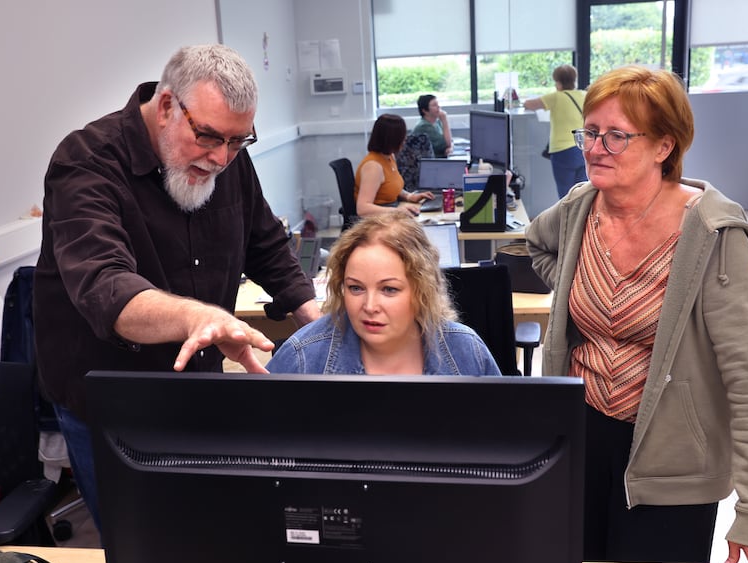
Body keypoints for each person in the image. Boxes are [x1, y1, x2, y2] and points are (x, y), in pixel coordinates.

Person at [33, 44, 321, 532]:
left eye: (238, 141)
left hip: (198, 387)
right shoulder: (86, 162)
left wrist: (320, 319)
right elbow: (106, 284)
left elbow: (265, 243)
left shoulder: (227, 156)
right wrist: (197, 317)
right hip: (113, 403)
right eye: (208, 137)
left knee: (207, 534)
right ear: (167, 106)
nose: (220, 158)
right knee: (141, 546)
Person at [525, 64, 748, 563]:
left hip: (673, 460)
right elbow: (531, 244)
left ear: (664, 147)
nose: (596, 147)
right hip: (579, 442)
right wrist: (571, 290)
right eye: (591, 132)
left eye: (617, 136)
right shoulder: (580, 207)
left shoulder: (714, 232)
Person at [267, 211, 501, 376]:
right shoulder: (304, 357)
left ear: (422, 290)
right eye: (355, 288)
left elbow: (504, 438)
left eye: (389, 289)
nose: (369, 306)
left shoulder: (465, 350)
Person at [523, 64, 588, 198]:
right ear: (574, 80)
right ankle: (582, 218)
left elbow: (528, 104)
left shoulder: (556, 97)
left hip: (563, 151)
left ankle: (567, 219)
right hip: (584, 148)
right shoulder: (585, 95)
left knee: (565, 194)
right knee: (583, 193)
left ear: (558, 83)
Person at [353, 114, 433, 217]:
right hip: (376, 221)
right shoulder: (373, 167)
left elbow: (390, 186)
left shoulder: (389, 157)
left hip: (389, 213)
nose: (404, 140)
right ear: (392, 139)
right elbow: (362, 209)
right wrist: (397, 210)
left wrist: (409, 196)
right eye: (402, 137)